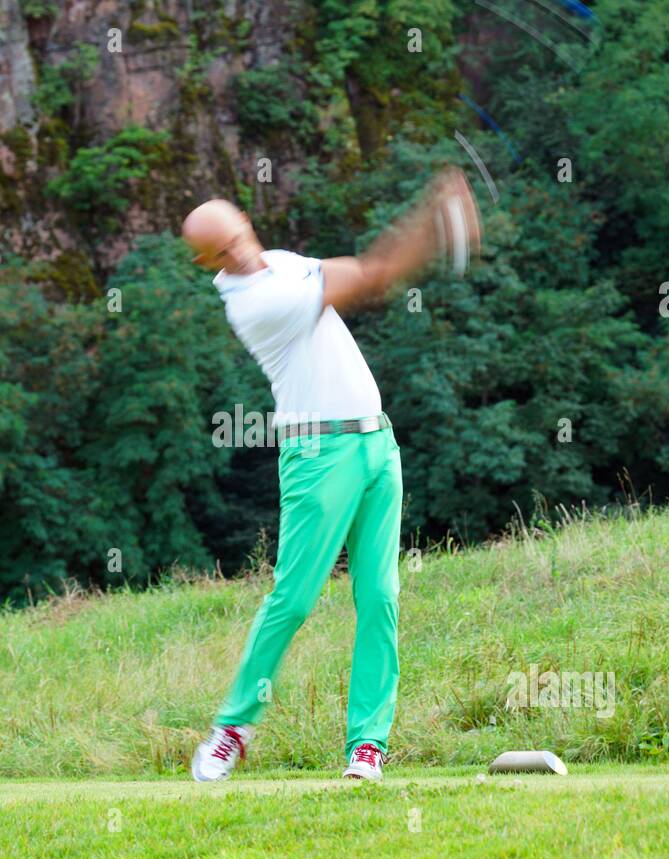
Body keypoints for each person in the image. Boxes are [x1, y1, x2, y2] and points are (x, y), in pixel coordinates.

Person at [181, 168, 480, 782]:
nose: (241, 251)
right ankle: (232, 727)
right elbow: (374, 273)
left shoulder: (284, 264)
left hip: (378, 444)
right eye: (225, 250)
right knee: (293, 598)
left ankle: (367, 746)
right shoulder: (253, 305)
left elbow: (361, 270)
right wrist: (434, 220)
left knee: (381, 598)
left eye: (240, 235)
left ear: (246, 222)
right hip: (318, 457)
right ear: (208, 261)